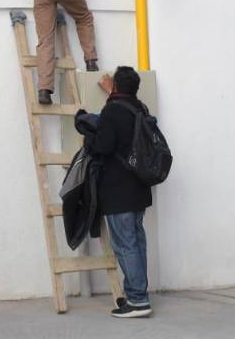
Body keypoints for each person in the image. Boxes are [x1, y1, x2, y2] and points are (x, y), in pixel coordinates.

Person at [90, 66, 152, 319]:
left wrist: (89, 136)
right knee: (137, 243)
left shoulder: (112, 111)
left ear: (115, 86)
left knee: (126, 246)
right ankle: (139, 294)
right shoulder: (141, 108)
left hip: (118, 191)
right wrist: (111, 93)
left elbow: (103, 146)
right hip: (139, 189)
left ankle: (137, 300)